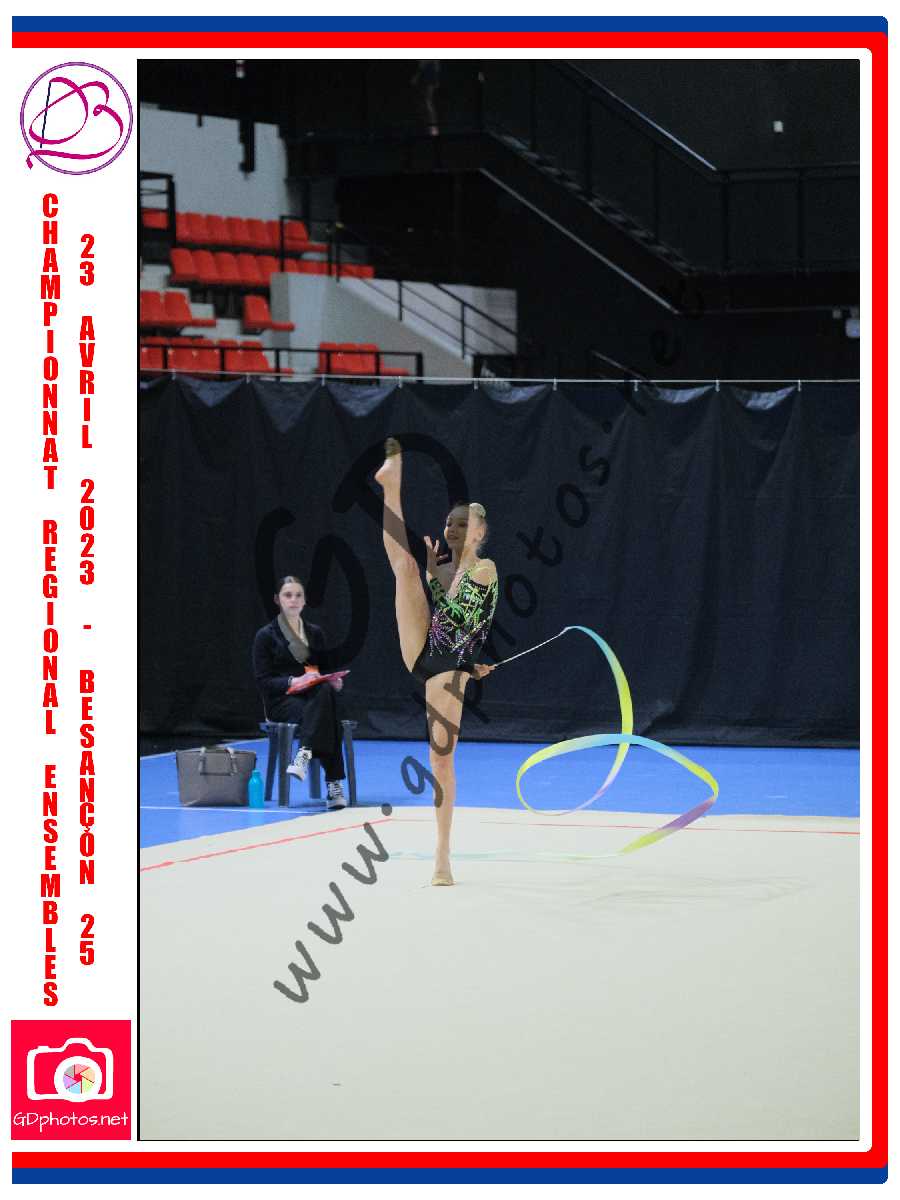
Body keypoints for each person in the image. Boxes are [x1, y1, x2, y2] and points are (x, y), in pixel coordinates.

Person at [374, 437, 498, 885]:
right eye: (449, 522)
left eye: (463, 523)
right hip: (425, 649)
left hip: (449, 665)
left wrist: (434, 570)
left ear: (479, 533)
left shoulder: (484, 569)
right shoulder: (442, 565)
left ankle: (442, 855)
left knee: (440, 760)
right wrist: (426, 567)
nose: (452, 528)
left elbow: (463, 615)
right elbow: (443, 612)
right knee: (403, 567)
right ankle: (391, 485)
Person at [252, 576, 348, 810]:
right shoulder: (266, 636)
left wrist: (334, 681)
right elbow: (264, 682)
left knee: (325, 691)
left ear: (304, 601)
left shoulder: (315, 633)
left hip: (313, 696)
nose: (293, 600)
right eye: (288, 595)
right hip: (282, 700)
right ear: (277, 600)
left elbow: (324, 670)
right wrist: (295, 680)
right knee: (327, 714)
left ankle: (304, 753)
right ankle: (334, 783)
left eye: (298, 595)